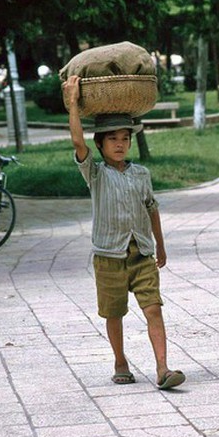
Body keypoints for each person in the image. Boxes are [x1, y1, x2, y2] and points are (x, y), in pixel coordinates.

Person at [63, 75, 186, 390]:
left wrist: (160, 245)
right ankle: (120, 360)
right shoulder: (96, 173)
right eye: (113, 139)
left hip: (141, 252)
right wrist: (72, 104)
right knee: (114, 313)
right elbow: (78, 142)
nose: (120, 144)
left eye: (125, 139)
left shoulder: (141, 174)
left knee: (154, 308)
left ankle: (162, 369)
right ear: (101, 144)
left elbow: (151, 208)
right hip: (108, 257)